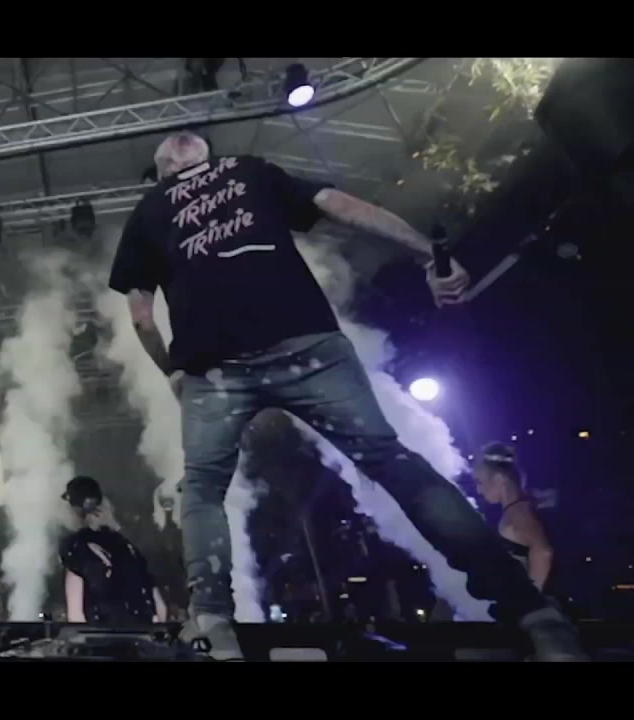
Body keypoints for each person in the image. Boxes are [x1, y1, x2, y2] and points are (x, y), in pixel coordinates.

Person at [107, 131, 587, 661]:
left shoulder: (150, 210)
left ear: (163, 173)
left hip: (215, 366)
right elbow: (343, 206)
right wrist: (431, 256)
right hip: (306, 342)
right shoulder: (251, 170)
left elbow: (142, 318)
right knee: (393, 463)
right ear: (206, 159)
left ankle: (215, 626)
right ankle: (533, 612)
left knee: (202, 489)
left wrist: (173, 372)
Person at [59, 475, 168, 626]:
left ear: (76, 509)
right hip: (139, 634)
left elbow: (76, 612)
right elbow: (159, 607)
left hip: (100, 635)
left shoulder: (76, 546)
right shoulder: (127, 547)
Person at [473, 443, 554, 592]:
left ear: (499, 479)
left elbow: (543, 553)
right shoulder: (524, 506)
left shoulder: (516, 515)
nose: (478, 490)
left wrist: (530, 600)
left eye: (480, 481)